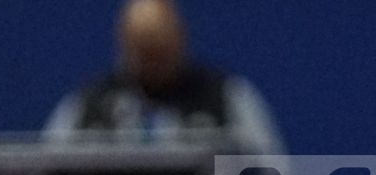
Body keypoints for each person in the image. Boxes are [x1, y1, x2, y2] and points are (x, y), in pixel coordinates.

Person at [44, 0, 284, 156]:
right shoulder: (89, 105)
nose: (154, 66)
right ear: (124, 46)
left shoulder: (225, 97)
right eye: (144, 55)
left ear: (180, 40)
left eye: (161, 53)